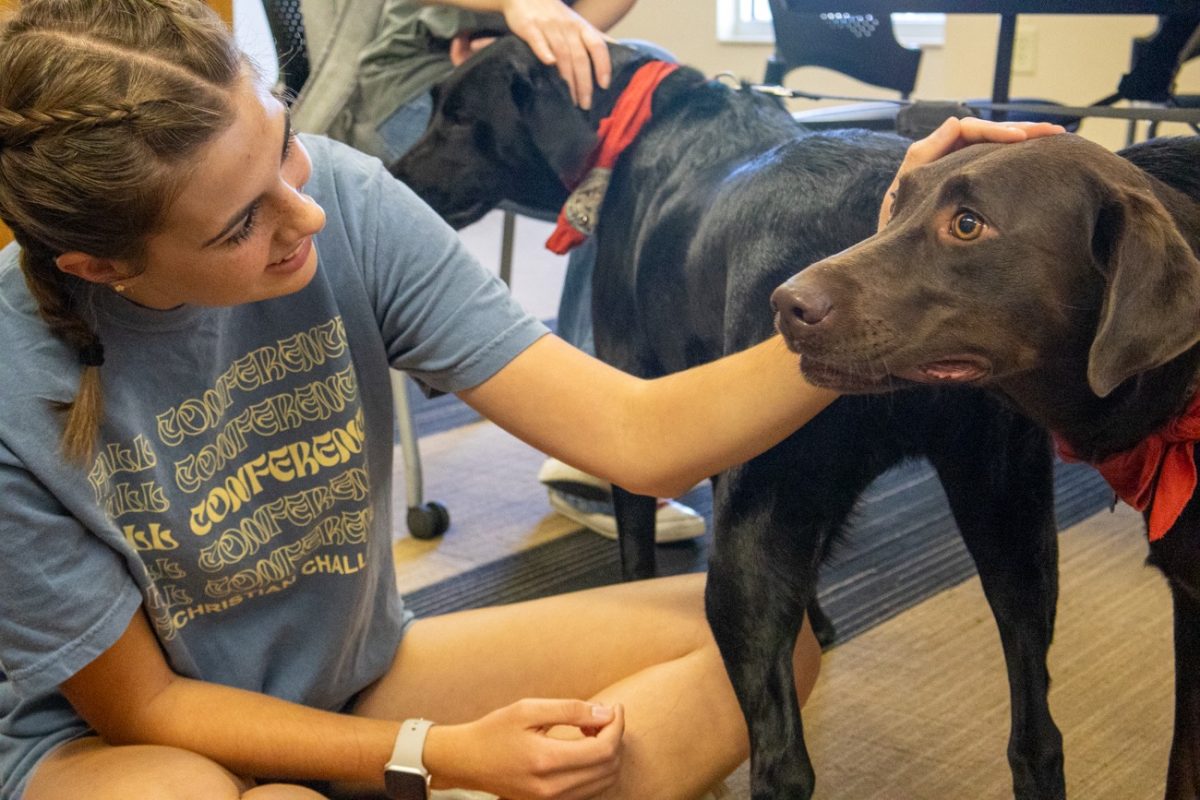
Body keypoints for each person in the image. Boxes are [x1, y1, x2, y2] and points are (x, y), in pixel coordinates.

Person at [0, 2, 1063, 798]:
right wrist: (437, 753)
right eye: (241, 224)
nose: (303, 217)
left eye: (281, 146)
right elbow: (152, 706)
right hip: (121, 747)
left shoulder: (346, 197)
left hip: (353, 666)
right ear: (106, 265)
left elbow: (640, 438)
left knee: (765, 638)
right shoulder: (13, 374)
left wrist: (879, 275)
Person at [293, 0, 709, 543]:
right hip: (415, 73)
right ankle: (590, 445)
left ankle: (637, 408)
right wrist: (515, 8)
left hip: (513, 56)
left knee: (642, 120)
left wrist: (540, 45)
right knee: (620, 163)